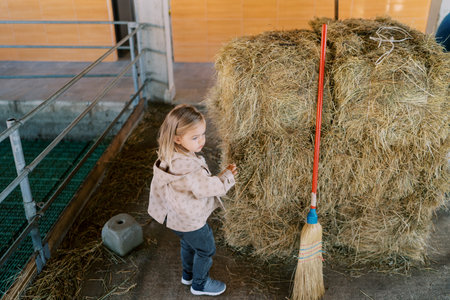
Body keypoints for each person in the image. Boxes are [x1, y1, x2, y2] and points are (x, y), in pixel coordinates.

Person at [148, 104, 237, 296]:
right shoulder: (188, 167)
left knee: (187, 244)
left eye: (203, 134)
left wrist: (217, 175)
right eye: (195, 137)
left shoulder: (170, 155)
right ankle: (200, 284)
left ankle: (187, 274)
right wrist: (226, 177)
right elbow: (206, 187)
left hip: (176, 219)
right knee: (206, 249)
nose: (202, 141)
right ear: (177, 138)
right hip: (191, 221)